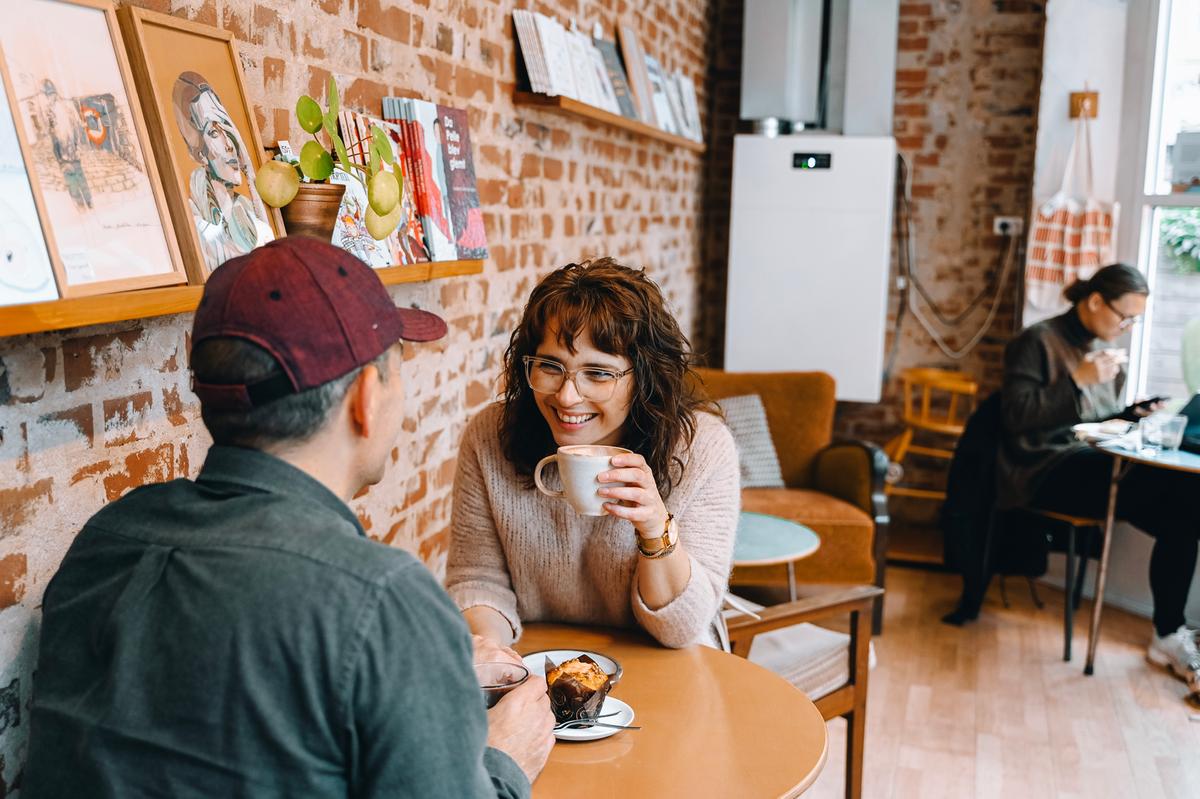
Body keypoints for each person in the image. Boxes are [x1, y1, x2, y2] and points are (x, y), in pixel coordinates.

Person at [24, 238, 554, 797]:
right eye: (398, 371)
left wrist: (421, 677)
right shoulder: (378, 598)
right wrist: (504, 759)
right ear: (367, 398)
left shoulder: (104, 542)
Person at [445, 258, 740, 649]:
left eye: (598, 373)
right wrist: (493, 656)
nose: (567, 397)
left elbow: (681, 631)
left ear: (644, 376)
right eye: (550, 366)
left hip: (666, 662)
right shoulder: (490, 437)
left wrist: (654, 527)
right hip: (539, 659)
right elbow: (477, 581)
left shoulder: (702, 448)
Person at [997, 263, 1199, 693]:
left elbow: (1094, 422)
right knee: (1184, 500)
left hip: (1085, 463)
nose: (1126, 328)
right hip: (1042, 470)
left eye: (1134, 322)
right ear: (1093, 301)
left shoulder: (1104, 354)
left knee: (1186, 507)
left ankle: (1168, 634)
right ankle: (1169, 633)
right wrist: (1077, 381)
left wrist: (1133, 413)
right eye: (1123, 317)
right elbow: (1015, 418)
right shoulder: (1038, 341)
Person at [172, 71, 274, 272]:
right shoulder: (196, 224)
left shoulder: (255, 220)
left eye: (227, 130)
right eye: (213, 133)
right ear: (199, 153)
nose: (230, 145)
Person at [42, 79, 92, 210]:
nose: (50, 97)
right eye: (49, 94)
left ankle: (85, 202)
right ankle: (84, 203)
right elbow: (57, 132)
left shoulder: (56, 109)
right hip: (67, 151)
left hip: (68, 150)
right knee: (75, 177)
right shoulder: (57, 109)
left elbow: (70, 128)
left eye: (50, 94)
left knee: (75, 177)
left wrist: (75, 146)